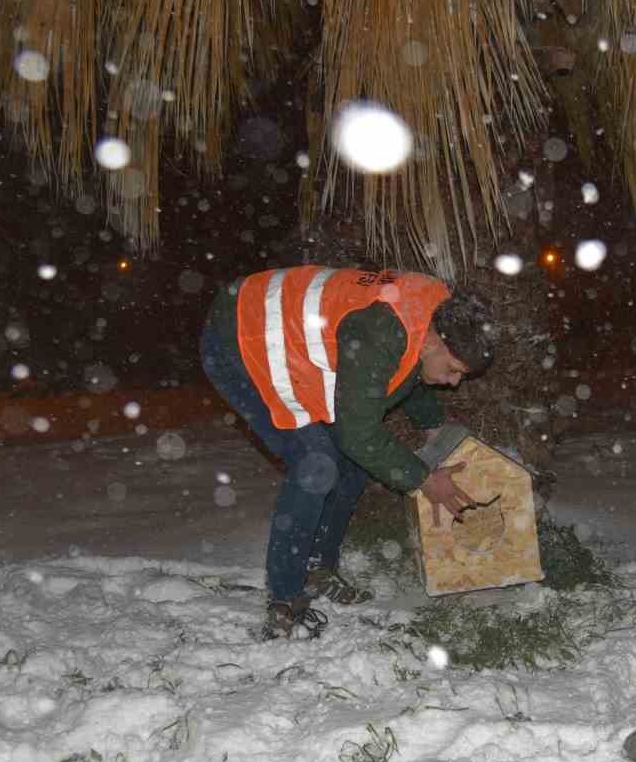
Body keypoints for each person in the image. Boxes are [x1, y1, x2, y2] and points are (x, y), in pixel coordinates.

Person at [201, 265, 495, 640]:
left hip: (287, 339)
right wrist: (423, 479)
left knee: (353, 464)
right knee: (317, 464)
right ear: (435, 341)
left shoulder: (431, 319)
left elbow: (406, 373)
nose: (453, 383)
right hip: (241, 336)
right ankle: (285, 599)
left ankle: (318, 569)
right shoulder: (381, 333)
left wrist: (434, 426)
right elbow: (359, 433)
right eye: (453, 371)